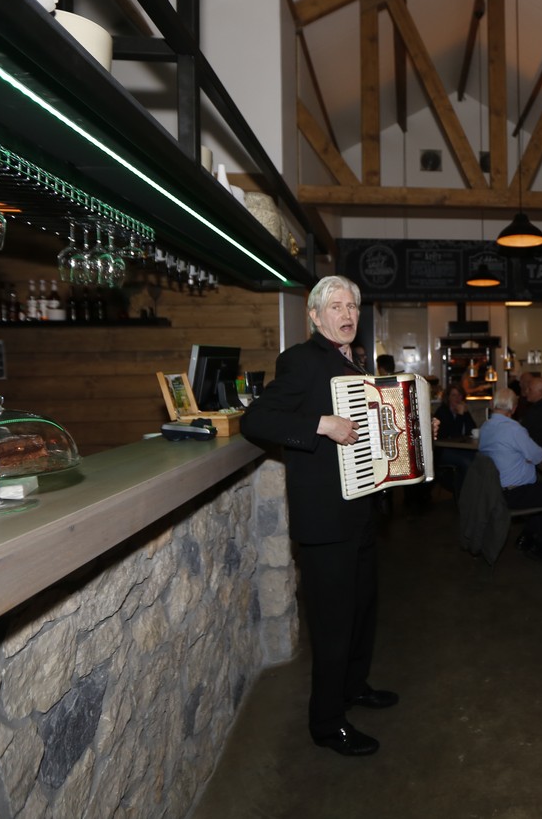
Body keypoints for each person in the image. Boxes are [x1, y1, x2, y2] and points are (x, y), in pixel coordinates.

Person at [239, 275, 396, 758]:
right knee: (332, 625)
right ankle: (327, 723)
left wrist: (413, 427)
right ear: (314, 316)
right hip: (326, 519)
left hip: (360, 509)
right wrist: (320, 424)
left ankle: (353, 687)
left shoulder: (355, 360)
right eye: (336, 307)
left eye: (352, 306)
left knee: (362, 611)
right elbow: (256, 420)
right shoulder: (302, 360)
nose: (347, 314)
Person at [478, 387, 542, 563]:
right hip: (514, 493)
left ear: (492, 404)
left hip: (494, 490)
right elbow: (538, 456)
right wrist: (526, 457)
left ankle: (527, 537)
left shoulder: (485, 427)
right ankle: (541, 545)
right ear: (514, 408)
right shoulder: (514, 429)